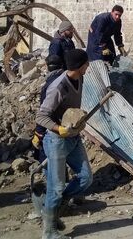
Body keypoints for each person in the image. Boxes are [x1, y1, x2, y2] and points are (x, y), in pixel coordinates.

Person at [35, 49, 92, 239]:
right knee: (56, 186)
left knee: (85, 178)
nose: (88, 66)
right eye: (86, 63)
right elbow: (41, 116)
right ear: (80, 65)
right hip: (57, 140)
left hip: (73, 137)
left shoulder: (80, 78)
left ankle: (55, 209)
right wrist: (59, 129)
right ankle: (49, 231)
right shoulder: (58, 87)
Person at [31, 54, 64, 162]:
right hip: (64, 126)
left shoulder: (50, 85)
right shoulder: (66, 79)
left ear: (48, 66)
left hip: (52, 128)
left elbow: (44, 112)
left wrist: (38, 133)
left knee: (48, 158)